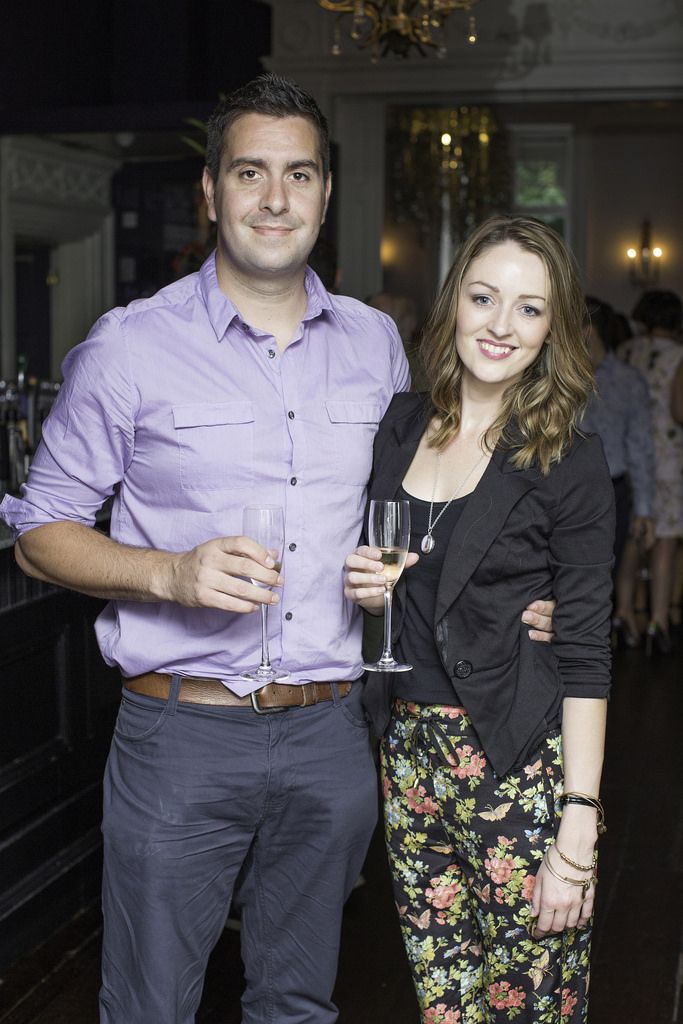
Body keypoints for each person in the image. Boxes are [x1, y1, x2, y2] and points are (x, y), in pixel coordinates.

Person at [0, 76, 554, 1024]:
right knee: (148, 1008)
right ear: (211, 192)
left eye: (298, 174)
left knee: (297, 1005)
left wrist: (502, 596)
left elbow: (428, 506)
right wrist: (165, 572)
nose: (274, 197)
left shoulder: (378, 345)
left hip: (332, 735)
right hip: (181, 735)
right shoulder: (129, 349)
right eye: (249, 172)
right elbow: (38, 536)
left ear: (326, 194)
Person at [344, 216, 614, 1023]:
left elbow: (587, 652)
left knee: (529, 1005)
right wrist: (365, 591)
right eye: (483, 297)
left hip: (515, 765)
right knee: (445, 1004)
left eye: (528, 309)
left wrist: (577, 825)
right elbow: (392, 583)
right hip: (407, 759)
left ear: (553, 329)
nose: (500, 325)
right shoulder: (397, 425)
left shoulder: (567, 458)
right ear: (452, 302)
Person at [580, 295, 655, 634]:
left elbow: (640, 446)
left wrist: (644, 509)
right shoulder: (554, 376)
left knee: (601, 573)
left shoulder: (629, 380)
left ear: (586, 331)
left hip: (612, 488)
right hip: (561, 485)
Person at [615, 289, 683, 654]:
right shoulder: (679, 356)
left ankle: (623, 612)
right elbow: (679, 411)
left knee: (631, 539)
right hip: (669, 459)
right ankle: (657, 620)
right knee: (665, 543)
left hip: (630, 456)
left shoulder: (626, 352)